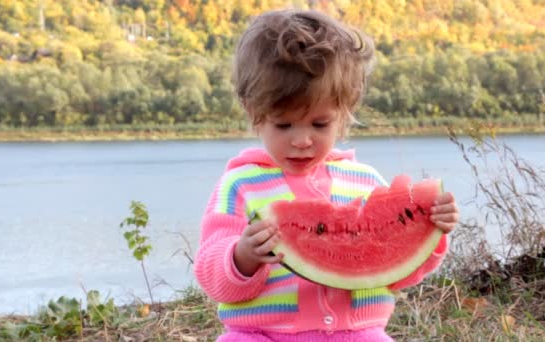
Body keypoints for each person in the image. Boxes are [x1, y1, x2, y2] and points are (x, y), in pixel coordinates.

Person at [194, 9, 459, 341]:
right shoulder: (240, 185)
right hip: (263, 334)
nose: (302, 140)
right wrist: (240, 257)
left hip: (357, 332)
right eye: (283, 124)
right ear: (254, 113)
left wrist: (430, 231)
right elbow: (209, 272)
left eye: (320, 124)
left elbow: (395, 272)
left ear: (344, 114)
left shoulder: (364, 181)